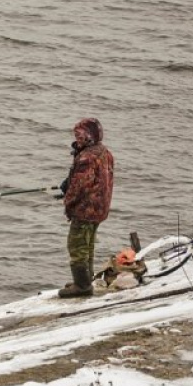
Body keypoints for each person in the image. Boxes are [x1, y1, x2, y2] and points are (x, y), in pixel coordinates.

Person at [57, 118, 114, 298]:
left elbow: (79, 186)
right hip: (99, 208)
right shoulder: (103, 152)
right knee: (87, 244)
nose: (77, 138)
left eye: (80, 135)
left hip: (86, 209)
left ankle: (82, 287)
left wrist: (68, 201)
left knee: (77, 245)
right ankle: (85, 280)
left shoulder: (87, 157)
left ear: (89, 136)